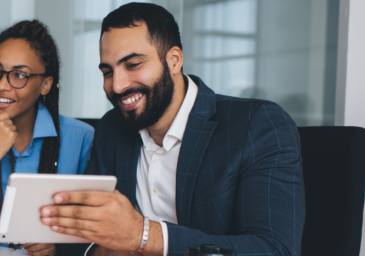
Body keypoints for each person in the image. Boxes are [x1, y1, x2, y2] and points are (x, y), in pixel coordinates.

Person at [39, 3, 304, 256]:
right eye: (107, 71)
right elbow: (80, 238)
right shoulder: (111, 128)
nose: (117, 86)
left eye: (133, 65)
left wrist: (142, 236)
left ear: (174, 60)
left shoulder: (256, 125)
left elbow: (275, 248)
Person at [0, 20, 94, 256]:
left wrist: (61, 246)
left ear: (45, 84)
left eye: (19, 75)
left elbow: (95, 229)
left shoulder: (82, 139)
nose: (1, 85)